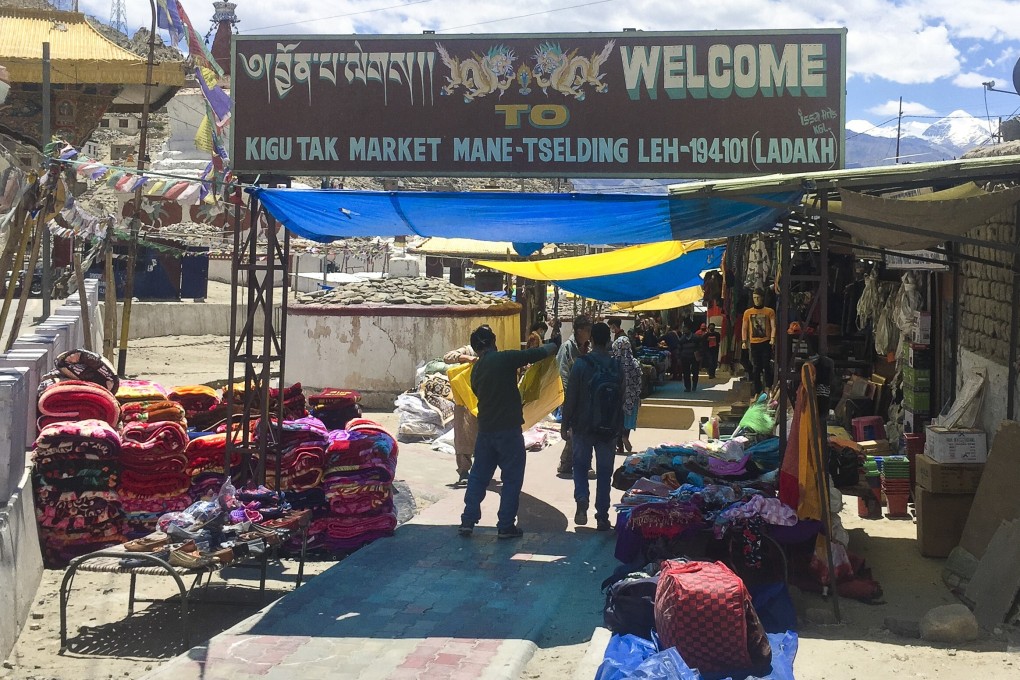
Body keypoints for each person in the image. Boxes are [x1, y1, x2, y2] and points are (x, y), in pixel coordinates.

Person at [459, 325, 558, 538]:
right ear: (494, 342)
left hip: (486, 430)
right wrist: (553, 345)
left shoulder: (476, 370)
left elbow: (477, 392)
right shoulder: (503, 359)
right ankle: (505, 525)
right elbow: (535, 354)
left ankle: (468, 519)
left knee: (478, 476)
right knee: (512, 478)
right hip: (508, 430)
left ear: (476, 348)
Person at [562, 322, 623, 531]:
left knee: (580, 465)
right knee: (605, 472)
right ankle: (602, 516)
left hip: (583, 426)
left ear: (592, 340)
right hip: (609, 429)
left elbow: (571, 397)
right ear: (608, 341)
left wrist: (565, 423)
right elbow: (621, 400)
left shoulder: (581, 364)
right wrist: (621, 430)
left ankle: (581, 499)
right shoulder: (617, 366)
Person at [555, 315, 593, 479]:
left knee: (583, 431)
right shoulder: (567, 348)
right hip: (572, 396)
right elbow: (563, 373)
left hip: (586, 397)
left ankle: (568, 464)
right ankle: (570, 463)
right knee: (574, 431)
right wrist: (566, 398)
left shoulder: (587, 348)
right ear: (579, 331)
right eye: (587, 330)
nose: (589, 333)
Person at [443, 343, 478, 487]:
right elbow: (447, 357)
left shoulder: (491, 352)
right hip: (463, 401)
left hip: (481, 399)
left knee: (482, 437)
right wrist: (468, 358)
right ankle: (464, 471)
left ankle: (481, 470)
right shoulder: (469, 349)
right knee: (463, 436)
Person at [742, 287, 777, 394]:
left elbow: (773, 326)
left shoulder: (769, 311)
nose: (756, 300)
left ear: (762, 298)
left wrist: (772, 338)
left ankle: (768, 387)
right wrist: (744, 341)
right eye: (754, 298)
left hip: (766, 341)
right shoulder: (748, 312)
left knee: (766, 365)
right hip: (754, 342)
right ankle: (757, 391)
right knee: (756, 367)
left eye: (758, 297)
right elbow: (744, 327)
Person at [612, 334, 642, 454]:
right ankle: (626, 436)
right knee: (628, 420)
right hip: (631, 397)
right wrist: (638, 395)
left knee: (617, 421)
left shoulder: (614, 363)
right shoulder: (634, 362)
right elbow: (639, 381)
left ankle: (619, 446)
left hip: (618, 397)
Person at [677, 322, 700, 392]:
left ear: (689, 330)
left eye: (685, 329)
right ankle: (688, 387)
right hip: (685, 357)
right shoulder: (682, 339)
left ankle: (694, 386)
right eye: (683, 329)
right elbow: (679, 349)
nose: (684, 331)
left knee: (695, 372)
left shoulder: (696, 338)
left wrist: (699, 356)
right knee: (686, 373)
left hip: (694, 357)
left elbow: (700, 347)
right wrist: (679, 357)